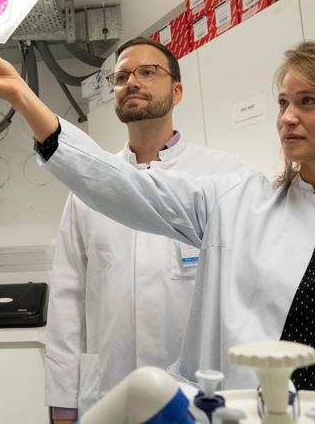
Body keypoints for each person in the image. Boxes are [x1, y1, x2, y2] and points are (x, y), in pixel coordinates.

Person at [0, 32, 315, 390]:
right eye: (283, 102)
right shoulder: (236, 202)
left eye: (308, 102)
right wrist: (22, 96)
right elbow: (120, 185)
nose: (286, 117)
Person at [46, 37, 243, 423]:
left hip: (196, 393)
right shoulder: (88, 188)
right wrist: (63, 401)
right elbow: (67, 299)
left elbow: (241, 297)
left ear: (177, 90)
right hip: (110, 390)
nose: (132, 82)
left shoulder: (221, 175)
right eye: (121, 77)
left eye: (148, 72)